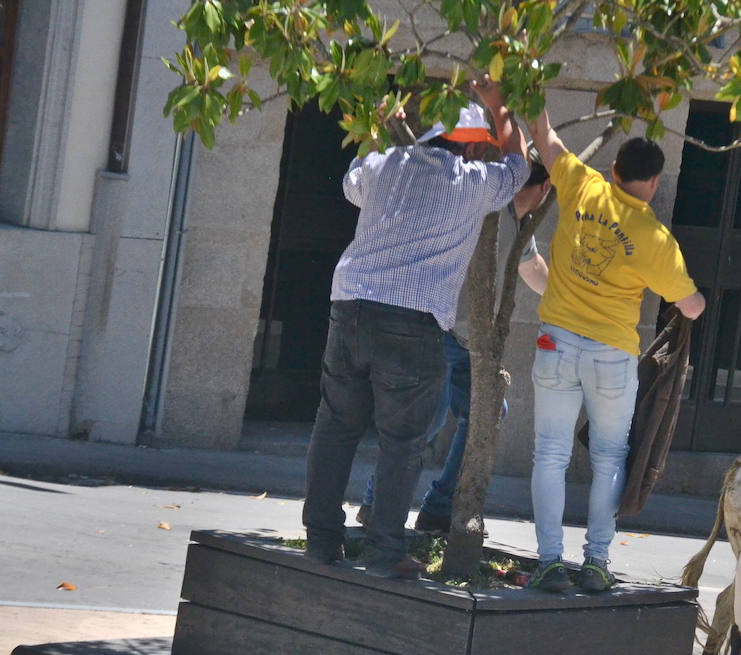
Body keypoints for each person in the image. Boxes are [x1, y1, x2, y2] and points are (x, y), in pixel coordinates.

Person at [302, 79, 528, 579]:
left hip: (350, 306)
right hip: (413, 318)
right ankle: (385, 553)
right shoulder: (473, 182)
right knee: (402, 442)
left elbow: (350, 183)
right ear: (470, 144)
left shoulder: (385, 164)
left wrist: (381, 128)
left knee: (336, 426)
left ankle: (320, 542)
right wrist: (501, 105)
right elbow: (520, 167)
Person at [525, 102, 706, 592]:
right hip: (612, 355)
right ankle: (597, 562)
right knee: (609, 457)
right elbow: (690, 308)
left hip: (554, 339)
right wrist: (698, 295)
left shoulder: (582, 184)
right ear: (653, 183)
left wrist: (527, 88)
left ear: (614, 170)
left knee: (550, 454)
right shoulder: (655, 239)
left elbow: (544, 137)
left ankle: (547, 562)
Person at [356, 153, 552, 535]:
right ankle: (377, 504)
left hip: (471, 342)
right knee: (425, 422)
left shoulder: (517, 224)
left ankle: (439, 508)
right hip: (439, 329)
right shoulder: (480, 205)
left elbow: (531, 269)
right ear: (546, 188)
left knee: (488, 411)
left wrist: (570, 299)